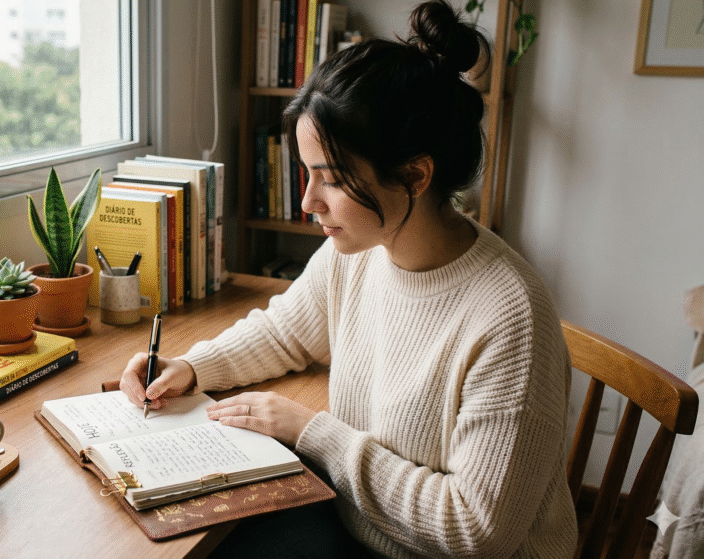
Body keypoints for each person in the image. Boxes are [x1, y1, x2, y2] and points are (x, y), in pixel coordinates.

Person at [118, 1, 578, 556]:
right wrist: (190, 367)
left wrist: (313, 433)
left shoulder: (509, 317)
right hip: (365, 531)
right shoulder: (359, 250)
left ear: (413, 175)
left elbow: (475, 530)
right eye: (305, 175)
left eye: (330, 180)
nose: (309, 201)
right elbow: (285, 332)